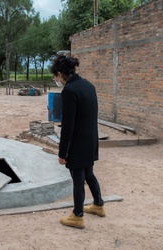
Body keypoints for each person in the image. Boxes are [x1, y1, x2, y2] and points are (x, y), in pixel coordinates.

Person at [51, 55, 105, 229]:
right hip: (91, 140)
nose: (56, 80)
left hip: (77, 143)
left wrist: (62, 153)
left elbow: (68, 126)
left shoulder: (69, 91)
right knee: (89, 173)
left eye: (55, 76)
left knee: (78, 178)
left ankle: (77, 215)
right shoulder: (88, 85)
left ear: (60, 74)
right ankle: (98, 205)